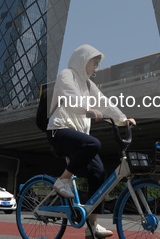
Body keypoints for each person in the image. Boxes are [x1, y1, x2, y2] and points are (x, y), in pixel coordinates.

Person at [47, 44, 136, 239]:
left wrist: (123, 119)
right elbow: (71, 97)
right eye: (94, 62)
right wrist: (88, 110)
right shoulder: (66, 75)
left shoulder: (88, 84)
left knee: (99, 174)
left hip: (78, 136)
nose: (96, 67)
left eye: (97, 64)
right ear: (83, 60)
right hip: (59, 130)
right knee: (93, 144)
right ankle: (63, 180)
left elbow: (104, 102)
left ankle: (92, 225)